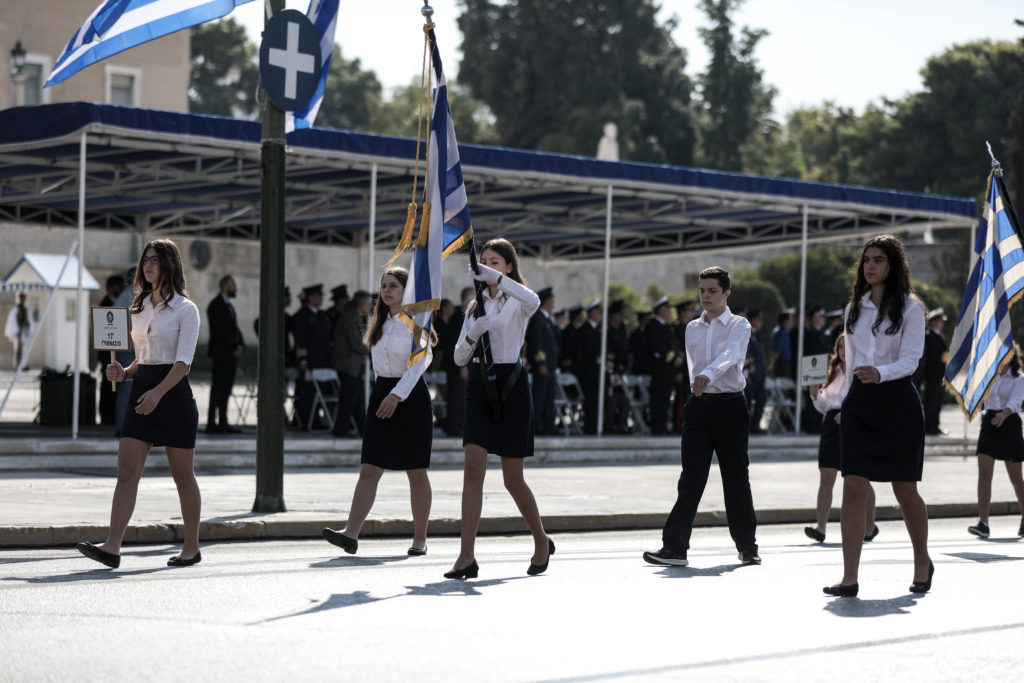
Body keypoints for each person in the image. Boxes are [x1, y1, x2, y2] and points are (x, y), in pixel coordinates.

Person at [76, 239, 202, 569]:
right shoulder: (138, 306)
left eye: (155, 260)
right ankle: (112, 546)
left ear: (170, 265)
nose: (147, 265)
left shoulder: (186, 310)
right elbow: (143, 360)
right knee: (127, 470)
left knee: (183, 476)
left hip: (172, 396)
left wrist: (158, 393)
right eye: (145, 260)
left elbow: (182, 362)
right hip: (142, 390)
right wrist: (125, 372)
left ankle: (192, 547)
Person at [823, 234, 932, 598]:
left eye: (878, 260)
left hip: (898, 403)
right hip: (859, 404)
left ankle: (922, 562)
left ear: (894, 265)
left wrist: (881, 373)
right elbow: (850, 363)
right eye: (867, 259)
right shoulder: (854, 308)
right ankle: (849, 577)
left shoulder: (912, 308)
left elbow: (912, 360)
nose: (870, 266)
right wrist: (839, 403)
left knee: (904, 490)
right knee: (853, 485)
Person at [445, 238, 553, 579]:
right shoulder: (473, 305)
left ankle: (541, 540)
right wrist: (471, 335)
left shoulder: (517, 298)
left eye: (495, 261)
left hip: (511, 383)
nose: (488, 266)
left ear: (507, 265)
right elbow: (458, 358)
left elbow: (534, 299)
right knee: (473, 469)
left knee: (512, 478)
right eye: (483, 261)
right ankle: (466, 556)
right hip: (480, 383)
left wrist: (499, 280)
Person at [643, 266, 760, 568]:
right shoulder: (692, 327)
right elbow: (692, 365)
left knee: (735, 478)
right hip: (699, 408)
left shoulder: (739, 325)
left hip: (731, 407)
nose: (705, 296)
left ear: (726, 293)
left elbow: (732, 355)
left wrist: (707, 375)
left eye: (712, 291)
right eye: (702, 290)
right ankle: (675, 548)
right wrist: (699, 385)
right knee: (691, 478)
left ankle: (748, 546)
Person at [323, 268, 435, 555]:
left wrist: (397, 395)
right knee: (370, 467)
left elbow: (420, 363)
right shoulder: (378, 322)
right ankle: (351, 533)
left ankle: (420, 539)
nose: (386, 291)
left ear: (406, 291)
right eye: (383, 286)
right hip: (381, 394)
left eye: (393, 286)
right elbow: (379, 367)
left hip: (409, 397)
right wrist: (383, 396)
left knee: (416, 470)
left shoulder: (416, 322)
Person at [805, 332, 878, 544]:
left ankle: (869, 526)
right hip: (830, 424)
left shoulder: (860, 372)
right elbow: (823, 405)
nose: (844, 352)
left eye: (847, 347)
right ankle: (821, 527)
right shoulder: (832, 372)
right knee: (826, 476)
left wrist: (849, 415)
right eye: (840, 348)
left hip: (853, 424)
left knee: (860, 478)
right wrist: (814, 394)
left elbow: (867, 401)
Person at [966, 343, 1024, 540]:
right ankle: (983, 523)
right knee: (984, 475)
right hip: (990, 423)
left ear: (1012, 356)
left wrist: (1003, 415)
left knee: (1017, 480)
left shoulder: (1019, 379)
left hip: (1010, 425)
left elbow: (1015, 402)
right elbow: (978, 394)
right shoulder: (989, 376)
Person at [206, 275, 245, 433]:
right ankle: (211, 422)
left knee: (226, 388)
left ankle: (223, 421)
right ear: (225, 286)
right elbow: (222, 330)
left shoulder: (229, 306)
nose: (235, 288)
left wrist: (241, 345)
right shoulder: (216, 305)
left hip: (231, 354)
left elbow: (234, 329)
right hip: (222, 354)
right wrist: (234, 346)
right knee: (218, 387)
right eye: (232, 285)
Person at [331, 290, 372, 437]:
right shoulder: (351, 318)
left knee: (358, 398)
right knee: (349, 399)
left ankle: (363, 428)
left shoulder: (354, 317)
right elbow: (356, 343)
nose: (369, 308)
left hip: (352, 366)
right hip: (348, 365)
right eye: (368, 304)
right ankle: (340, 429)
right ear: (361, 305)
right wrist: (374, 349)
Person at [292, 284, 333, 430]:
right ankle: (303, 421)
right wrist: (302, 360)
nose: (321, 299)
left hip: (322, 360)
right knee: (307, 392)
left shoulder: (322, 315)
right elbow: (300, 340)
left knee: (319, 391)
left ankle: (315, 419)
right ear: (311, 298)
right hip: (310, 360)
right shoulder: (302, 316)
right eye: (318, 296)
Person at [526, 287, 559, 435]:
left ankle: (549, 424)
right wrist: (541, 363)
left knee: (549, 396)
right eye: (551, 300)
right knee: (539, 396)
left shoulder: (546, 319)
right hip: (544, 366)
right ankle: (537, 425)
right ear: (545, 302)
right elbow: (536, 343)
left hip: (551, 366)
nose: (553, 303)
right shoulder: (537, 319)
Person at [646, 296, 682, 435]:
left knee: (666, 399)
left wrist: (678, 356)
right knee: (658, 399)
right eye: (667, 310)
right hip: (660, 369)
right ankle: (657, 426)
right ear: (661, 310)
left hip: (669, 370)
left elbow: (674, 344)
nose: (669, 312)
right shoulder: (653, 326)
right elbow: (657, 347)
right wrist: (673, 358)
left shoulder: (667, 327)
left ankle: (662, 425)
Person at [96, 275, 127, 425]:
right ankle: (106, 416)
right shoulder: (106, 304)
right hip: (107, 352)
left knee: (115, 386)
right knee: (108, 385)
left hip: (118, 350)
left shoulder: (117, 302)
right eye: (118, 287)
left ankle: (112, 415)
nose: (120, 290)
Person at [917, 308, 949, 436]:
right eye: (939, 320)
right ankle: (928, 426)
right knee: (931, 401)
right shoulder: (929, 335)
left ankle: (935, 425)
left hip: (940, 374)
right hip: (932, 374)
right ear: (934, 322)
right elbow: (931, 354)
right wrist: (944, 356)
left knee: (938, 400)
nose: (942, 323)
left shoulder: (939, 335)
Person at [578, 299, 603, 434]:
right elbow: (588, 351)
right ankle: (590, 427)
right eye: (598, 312)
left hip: (599, 371)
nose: (600, 315)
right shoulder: (585, 330)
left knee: (599, 400)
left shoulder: (598, 330)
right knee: (591, 400)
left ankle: (598, 425)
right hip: (589, 371)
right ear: (592, 313)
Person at [672, 301, 695, 432]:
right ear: (682, 313)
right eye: (688, 312)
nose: (690, 314)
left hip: (693, 370)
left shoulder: (693, 328)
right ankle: (679, 424)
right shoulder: (676, 329)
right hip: (683, 370)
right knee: (682, 398)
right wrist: (678, 372)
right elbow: (678, 352)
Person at [744, 309, 767, 434]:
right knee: (747, 401)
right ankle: (747, 426)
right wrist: (750, 365)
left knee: (762, 399)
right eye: (756, 320)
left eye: (760, 320)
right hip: (751, 374)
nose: (758, 323)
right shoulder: (747, 333)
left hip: (759, 375)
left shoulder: (757, 335)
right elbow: (747, 352)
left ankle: (755, 425)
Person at [4, 291, 32, 368]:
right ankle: (17, 365)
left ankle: (23, 365)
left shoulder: (25, 309)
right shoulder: (16, 308)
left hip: (24, 331)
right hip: (18, 332)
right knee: (18, 350)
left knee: (24, 349)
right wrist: (16, 331)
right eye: (22, 297)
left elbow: (28, 320)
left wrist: (28, 329)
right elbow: (12, 321)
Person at [769, 309, 793, 378]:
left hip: (785, 363)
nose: (792, 322)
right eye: (791, 319)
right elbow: (777, 351)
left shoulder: (785, 331)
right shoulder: (780, 333)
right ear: (786, 321)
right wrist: (771, 365)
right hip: (782, 364)